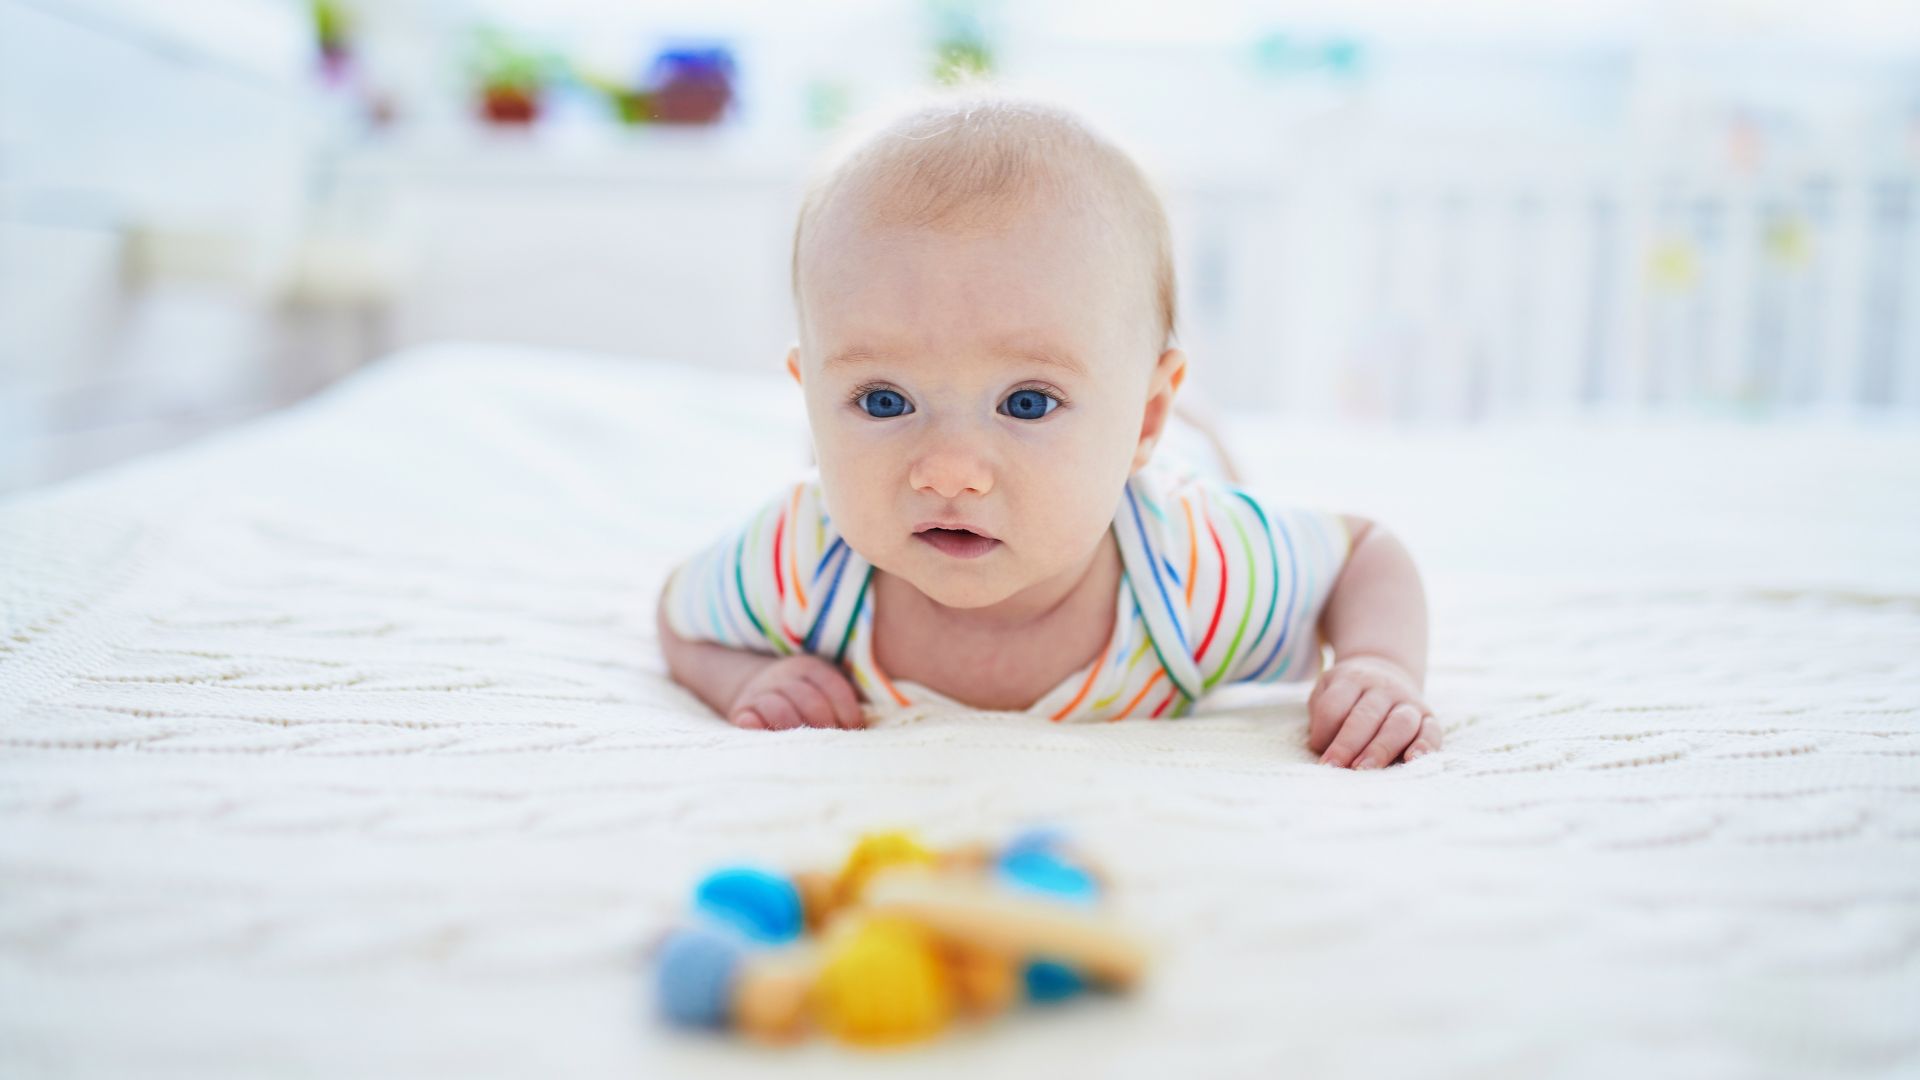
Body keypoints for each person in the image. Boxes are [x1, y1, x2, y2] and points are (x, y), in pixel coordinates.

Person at [657, 90, 1438, 769]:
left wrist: (1379, 664)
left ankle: (1182, 428)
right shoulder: (805, 554)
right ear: (808, 396)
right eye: (882, 400)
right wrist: (744, 682)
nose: (950, 471)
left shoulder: (1195, 567)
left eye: (1027, 402)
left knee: (1210, 459)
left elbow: (1363, 556)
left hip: (1163, 473)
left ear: (1145, 419)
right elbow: (677, 612)